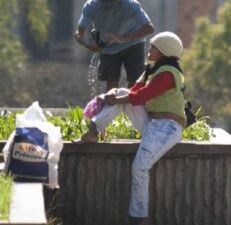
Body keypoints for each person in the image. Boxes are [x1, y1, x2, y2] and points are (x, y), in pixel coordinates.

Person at [75, 32, 186, 225]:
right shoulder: (152, 69)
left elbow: (143, 96)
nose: (149, 50)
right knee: (122, 91)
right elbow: (133, 91)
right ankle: (94, 130)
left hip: (167, 127)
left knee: (140, 167)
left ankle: (140, 218)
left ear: (164, 51)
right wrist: (112, 95)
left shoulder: (168, 73)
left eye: (153, 47)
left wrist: (115, 98)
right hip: (152, 123)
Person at [74, 0, 154, 92]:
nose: (109, 10)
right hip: (109, 46)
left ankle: (131, 107)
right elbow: (78, 34)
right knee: (111, 80)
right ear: (99, 1)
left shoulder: (130, 3)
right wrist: (88, 45)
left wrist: (122, 39)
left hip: (133, 42)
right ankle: (112, 107)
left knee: (135, 80)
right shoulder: (91, 5)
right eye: (105, 7)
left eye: (112, 6)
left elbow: (149, 28)